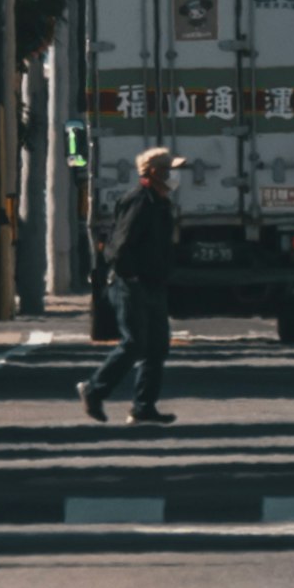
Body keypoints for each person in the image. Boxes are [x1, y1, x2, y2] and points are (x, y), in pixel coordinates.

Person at [85, 144, 181, 425]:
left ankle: (143, 406)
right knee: (134, 343)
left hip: (152, 283)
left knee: (157, 347)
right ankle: (93, 390)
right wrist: (133, 278)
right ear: (153, 173)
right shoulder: (139, 201)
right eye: (169, 170)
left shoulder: (159, 202)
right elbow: (119, 247)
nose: (174, 176)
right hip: (132, 284)